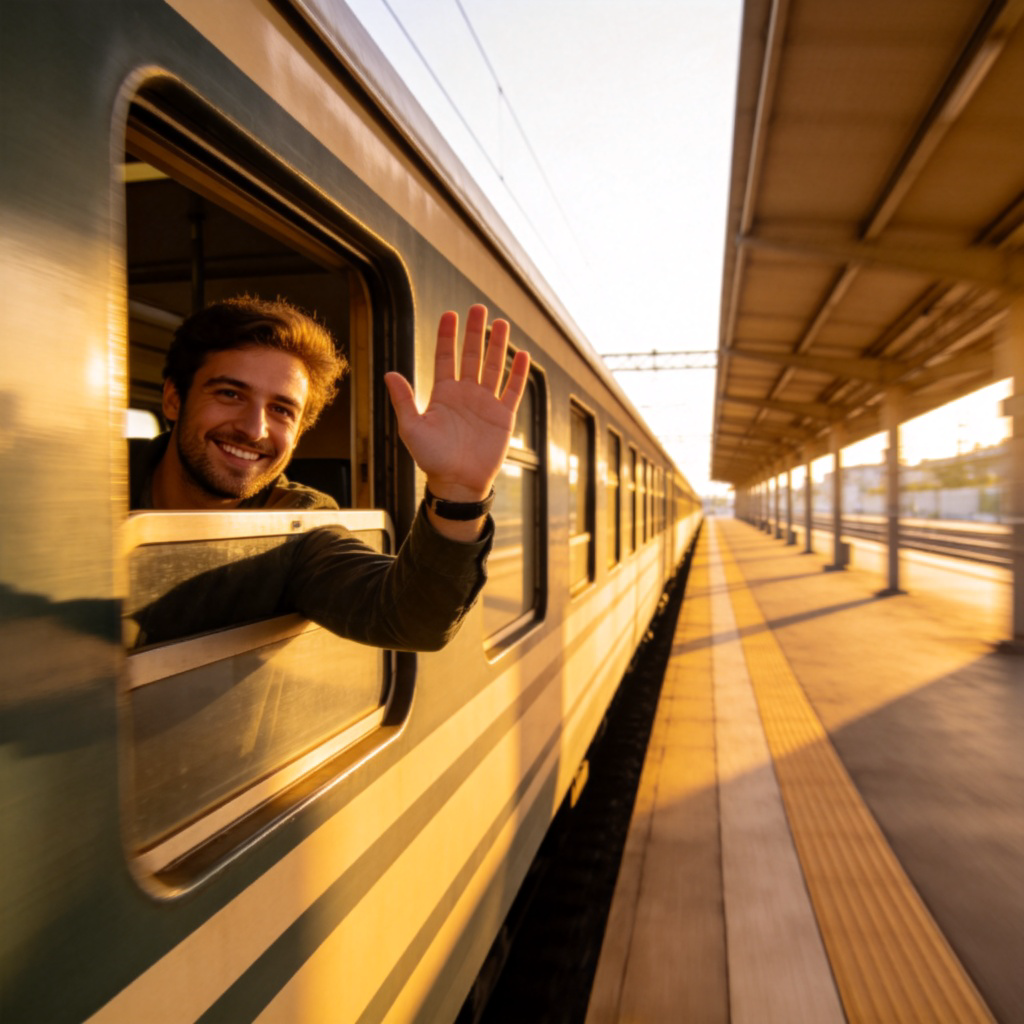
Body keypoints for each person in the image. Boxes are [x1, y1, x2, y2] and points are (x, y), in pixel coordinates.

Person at [128, 295, 530, 651]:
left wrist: (459, 491)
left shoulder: (299, 528)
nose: (254, 429)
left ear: (298, 434)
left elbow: (408, 619)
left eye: (281, 410)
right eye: (230, 394)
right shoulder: (91, 478)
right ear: (173, 400)